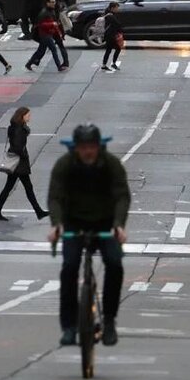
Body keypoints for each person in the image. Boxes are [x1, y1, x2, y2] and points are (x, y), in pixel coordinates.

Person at [48, 124, 130, 347]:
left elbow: (122, 195)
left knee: (114, 264)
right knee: (69, 269)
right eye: (83, 147)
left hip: (105, 223)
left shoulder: (111, 164)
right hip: (74, 224)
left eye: (92, 146)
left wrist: (119, 225)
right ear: (76, 148)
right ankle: (69, 326)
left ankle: (110, 320)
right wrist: (56, 225)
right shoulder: (64, 165)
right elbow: (54, 197)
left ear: (98, 146)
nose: (88, 151)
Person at [0, 107, 48, 222]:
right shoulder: (19, 129)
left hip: (17, 161)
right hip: (19, 163)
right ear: (22, 116)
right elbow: (18, 146)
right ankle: (39, 212)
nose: (29, 117)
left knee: (10, 187)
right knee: (27, 187)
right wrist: (24, 156)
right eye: (28, 115)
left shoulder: (15, 127)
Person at [26, 0, 66, 72]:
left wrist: (57, 30)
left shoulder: (51, 11)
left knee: (40, 50)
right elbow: (41, 24)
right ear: (47, 3)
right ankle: (59, 66)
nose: (53, 3)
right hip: (45, 35)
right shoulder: (44, 12)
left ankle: (29, 64)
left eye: (54, 2)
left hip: (48, 34)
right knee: (53, 49)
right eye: (51, 2)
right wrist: (52, 24)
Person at [100, 1, 124, 72]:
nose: (117, 9)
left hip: (108, 35)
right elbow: (118, 24)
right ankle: (112, 63)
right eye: (116, 8)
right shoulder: (111, 16)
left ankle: (105, 65)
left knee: (109, 50)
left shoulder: (108, 15)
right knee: (118, 48)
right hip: (111, 36)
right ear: (112, 8)